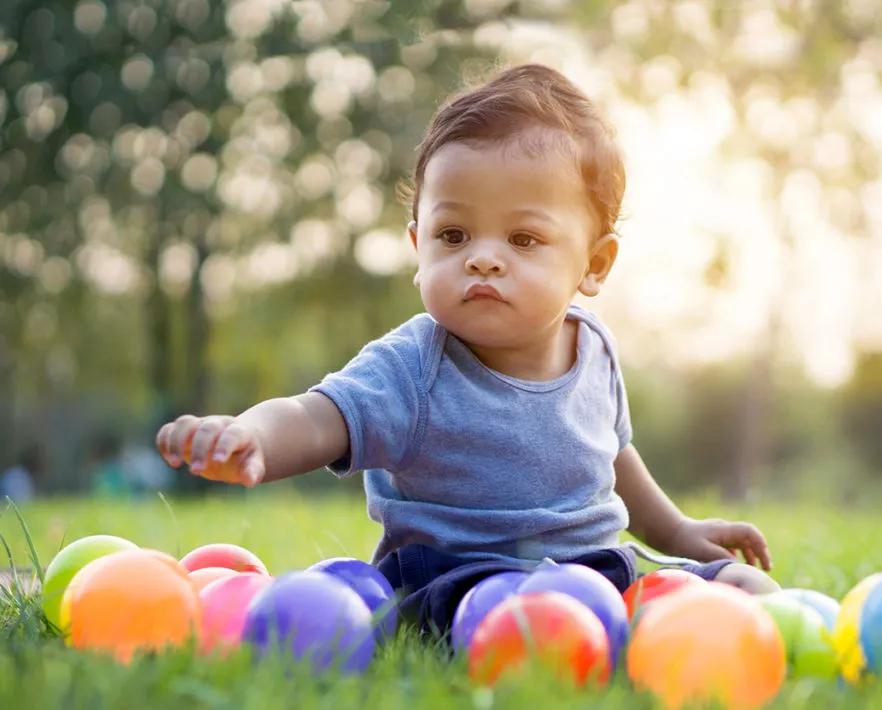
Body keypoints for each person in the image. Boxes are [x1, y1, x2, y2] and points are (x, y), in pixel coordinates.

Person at [156, 63, 780, 637]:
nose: (483, 256)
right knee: (520, 618)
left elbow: (613, 459)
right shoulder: (412, 366)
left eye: (523, 237)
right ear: (417, 245)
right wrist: (251, 436)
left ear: (594, 264)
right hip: (458, 581)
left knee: (742, 588)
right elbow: (317, 415)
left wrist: (679, 534)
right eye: (452, 234)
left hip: (593, 572)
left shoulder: (594, 348)